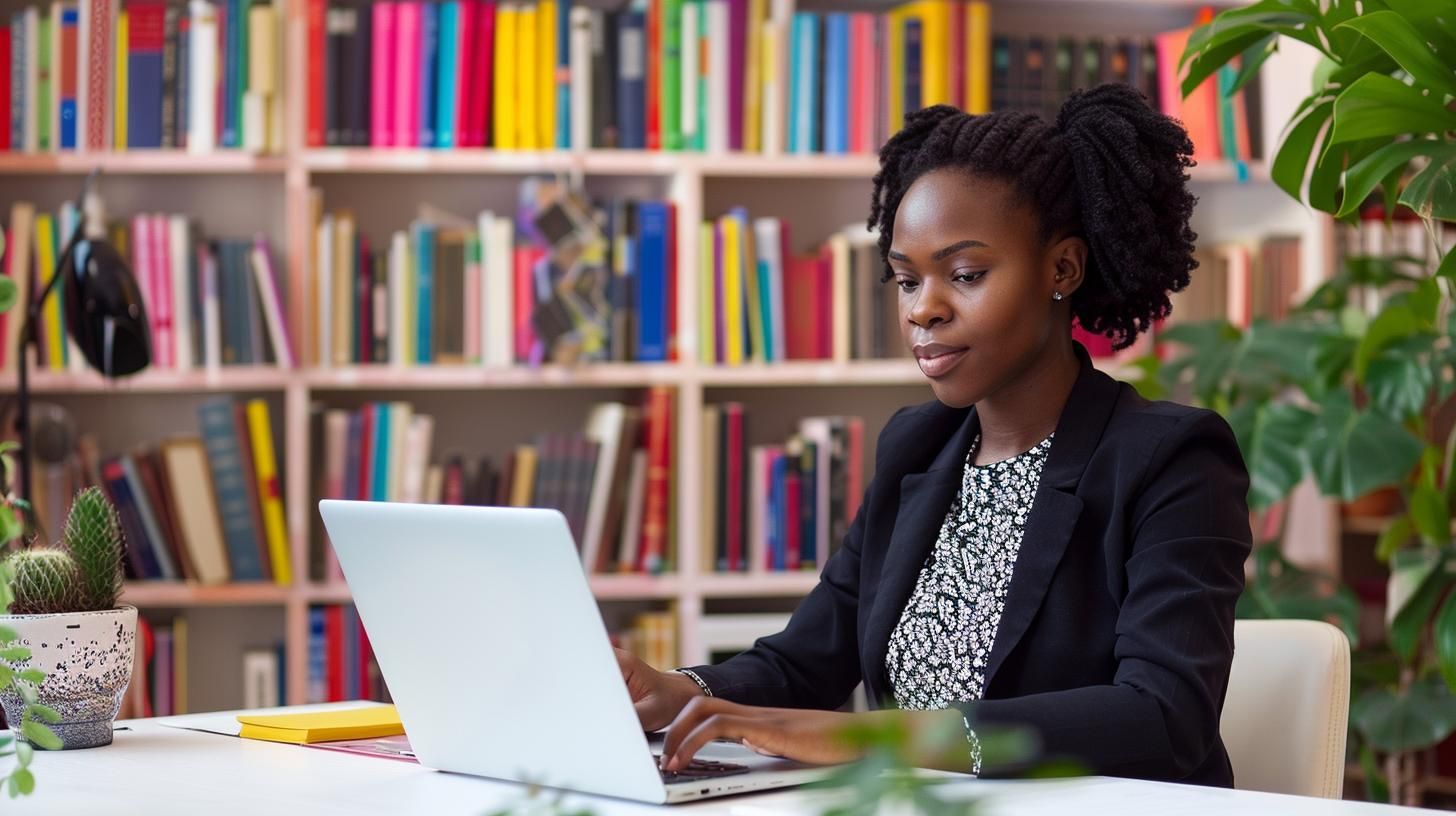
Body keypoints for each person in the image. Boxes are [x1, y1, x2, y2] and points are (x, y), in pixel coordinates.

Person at [617, 83, 1252, 787]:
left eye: (965, 275)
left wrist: (877, 738)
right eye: (905, 280)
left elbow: (1163, 717)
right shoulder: (917, 448)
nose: (925, 310)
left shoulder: (1169, 459)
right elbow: (807, 660)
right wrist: (678, 692)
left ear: (1062, 268)